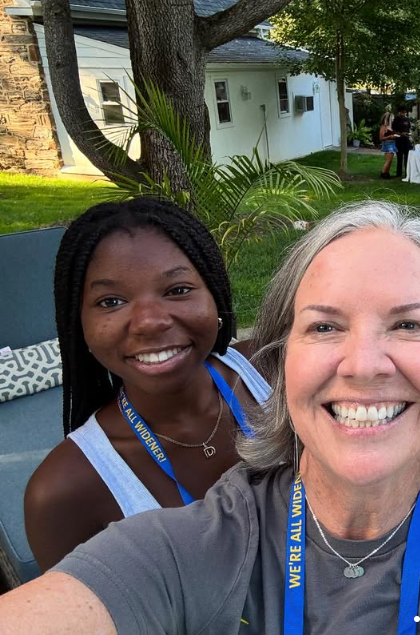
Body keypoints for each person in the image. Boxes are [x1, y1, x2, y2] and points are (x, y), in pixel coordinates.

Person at [0, 201, 420, 635]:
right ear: (283, 364)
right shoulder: (192, 545)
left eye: (409, 324)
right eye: (326, 325)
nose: (364, 363)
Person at [23, 198, 270, 572]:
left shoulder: (276, 371)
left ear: (215, 295)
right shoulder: (64, 491)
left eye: (177, 290)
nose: (149, 322)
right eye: (111, 301)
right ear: (80, 326)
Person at [391, 105, 412, 181]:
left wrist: (408, 134)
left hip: (406, 140)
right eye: (402, 113)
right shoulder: (396, 120)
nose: (404, 114)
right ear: (399, 112)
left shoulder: (407, 119)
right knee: (399, 157)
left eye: (405, 113)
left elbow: (409, 128)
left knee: (407, 157)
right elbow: (393, 131)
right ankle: (398, 172)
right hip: (399, 140)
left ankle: (407, 172)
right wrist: (400, 134)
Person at [379, 112, 399, 180]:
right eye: (392, 118)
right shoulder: (383, 127)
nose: (393, 120)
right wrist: (390, 136)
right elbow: (381, 138)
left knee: (390, 160)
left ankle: (387, 173)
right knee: (388, 160)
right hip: (387, 144)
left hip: (392, 143)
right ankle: (383, 172)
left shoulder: (391, 127)